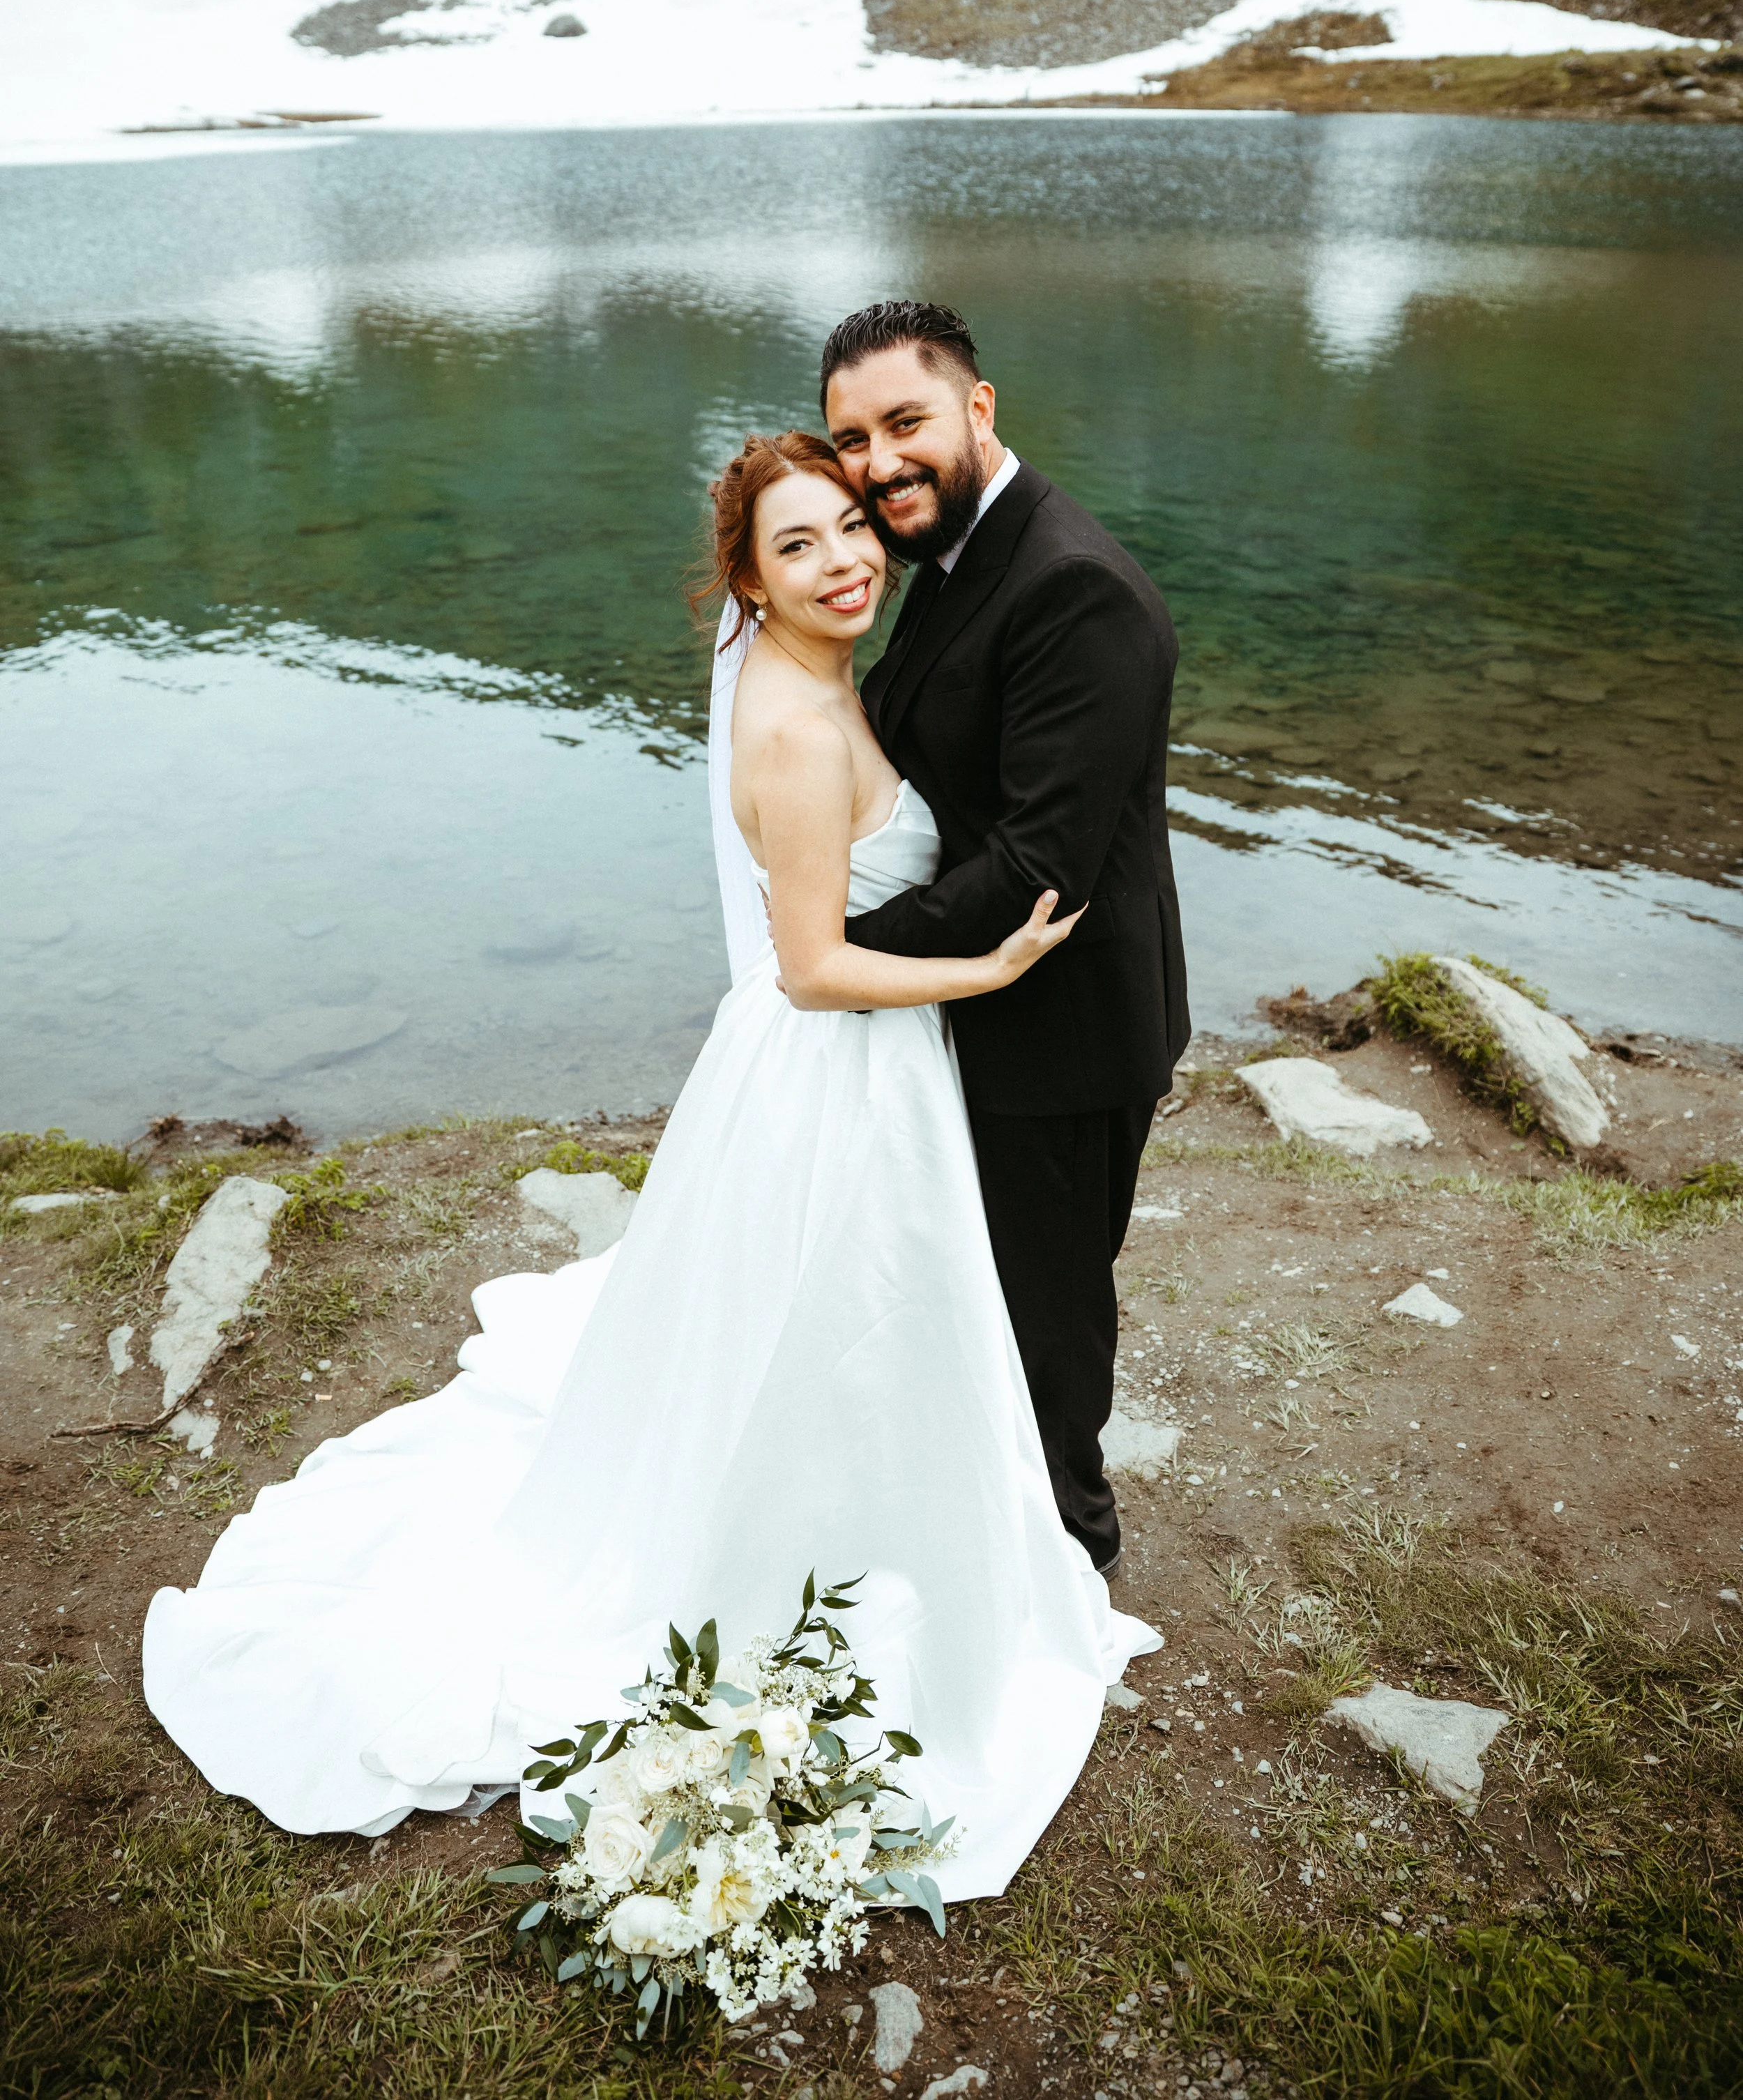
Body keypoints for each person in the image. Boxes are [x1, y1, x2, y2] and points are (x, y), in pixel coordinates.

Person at [142, 432, 1157, 1897]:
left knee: (810, 1329)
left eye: (851, 530)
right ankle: (817, 1553)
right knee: (843, 1319)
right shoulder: (796, 728)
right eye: (797, 546)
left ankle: (874, 1518)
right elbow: (811, 968)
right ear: (743, 580)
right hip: (830, 1072)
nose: (841, 560)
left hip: (828, 1079)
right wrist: (984, 969)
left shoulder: (814, 674)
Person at [822, 303, 1190, 1581]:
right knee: (966, 1300)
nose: (877, 461)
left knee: (1046, 1321)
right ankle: (978, 1542)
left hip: (1061, 1032)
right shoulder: (952, 553)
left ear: (980, 408)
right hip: (973, 1009)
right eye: (852, 437)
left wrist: (839, 948)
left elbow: (1041, 868)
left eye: (905, 422)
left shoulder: (1072, 587)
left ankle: (1073, 1567)